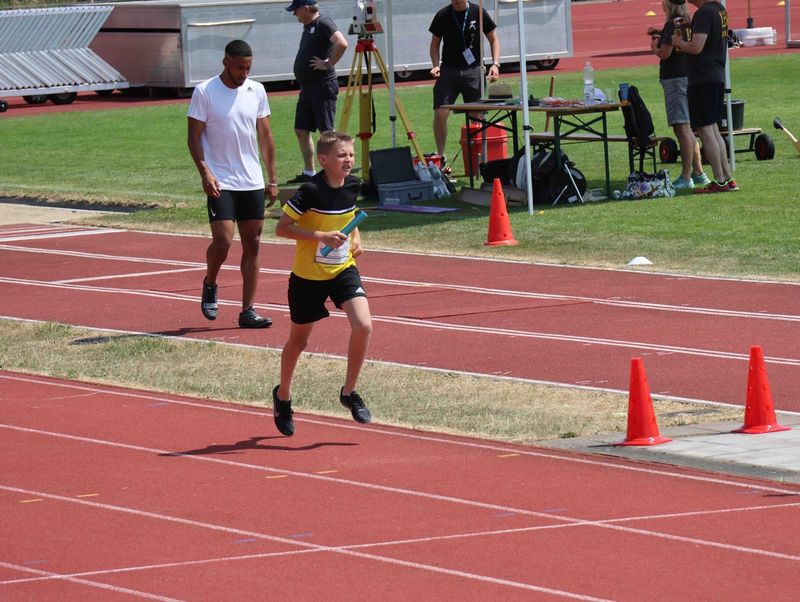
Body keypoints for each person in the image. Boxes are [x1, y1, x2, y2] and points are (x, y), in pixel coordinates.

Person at [272, 131, 373, 436]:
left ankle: (349, 393)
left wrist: (357, 238)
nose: (348, 160)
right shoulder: (310, 191)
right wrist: (320, 236)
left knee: (364, 325)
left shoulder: (353, 185)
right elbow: (282, 228)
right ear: (324, 159)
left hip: (342, 270)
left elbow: (349, 215)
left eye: (351, 155)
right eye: (342, 155)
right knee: (299, 342)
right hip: (307, 277)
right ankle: (283, 396)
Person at [187, 39, 278, 329]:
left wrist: (272, 178)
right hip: (221, 179)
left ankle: (248, 310)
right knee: (223, 242)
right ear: (225, 62)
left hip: (251, 179)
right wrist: (204, 172)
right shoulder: (205, 91)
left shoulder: (257, 90)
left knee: (253, 244)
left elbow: (266, 136)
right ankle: (211, 282)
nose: (244, 73)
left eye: (248, 68)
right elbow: (193, 137)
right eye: (239, 67)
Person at [671, 0, 738, 193]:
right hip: (715, 75)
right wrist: (692, 25)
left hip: (703, 78)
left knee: (706, 130)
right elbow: (711, 34)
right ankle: (727, 178)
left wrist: (678, 42)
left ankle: (719, 181)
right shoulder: (718, 8)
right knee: (713, 129)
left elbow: (696, 47)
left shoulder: (704, 13)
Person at [429, 0, 501, 164]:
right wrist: (435, 65)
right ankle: (441, 155)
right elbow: (434, 43)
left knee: (476, 116)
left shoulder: (478, 11)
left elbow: (494, 39)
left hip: (474, 70)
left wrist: (495, 64)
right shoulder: (443, 14)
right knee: (440, 112)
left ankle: (478, 158)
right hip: (448, 71)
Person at [649, 0, 710, 190]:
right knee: (687, 128)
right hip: (687, 75)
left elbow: (665, 53)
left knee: (681, 129)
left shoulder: (671, 23)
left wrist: (654, 47)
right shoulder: (687, 22)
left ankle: (686, 176)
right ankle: (698, 173)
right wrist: (659, 33)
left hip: (675, 79)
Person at [285, 0, 348, 184]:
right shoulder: (308, 27)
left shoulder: (323, 23)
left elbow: (342, 43)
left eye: (295, 10)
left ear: (305, 8)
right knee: (301, 130)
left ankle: (333, 173)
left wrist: (327, 64)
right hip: (307, 87)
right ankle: (309, 173)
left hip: (322, 85)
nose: (294, 14)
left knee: (327, 133)